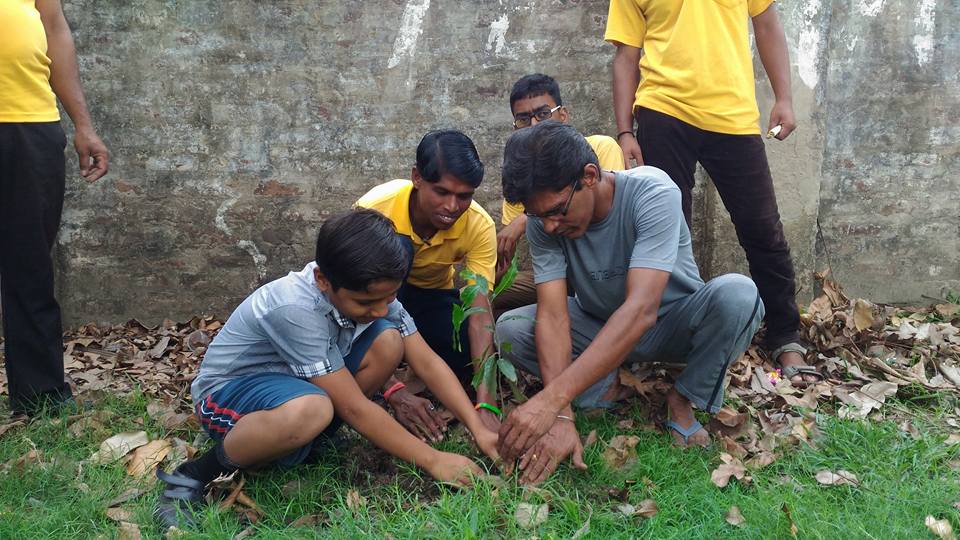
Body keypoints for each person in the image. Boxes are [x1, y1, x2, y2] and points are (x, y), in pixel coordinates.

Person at [155, 210, 498, 529]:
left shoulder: (374, 293)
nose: (381, 309)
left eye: (390, 297)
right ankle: (194, 475)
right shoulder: (294, 307)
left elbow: (427, 361)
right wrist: (434, 460)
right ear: (322, 280)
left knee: (389, 341)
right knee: (313, 409)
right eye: (366, 302)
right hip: (227, 395)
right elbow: (354, 407)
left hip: (294, 388)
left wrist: (478, 425)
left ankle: (304, 441)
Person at [494, 122, 764, 485]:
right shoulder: (544, 225)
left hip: (673, 323)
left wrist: (550, 400)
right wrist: (561, 415)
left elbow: (641, 310)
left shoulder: (653, 191)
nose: (551, 226)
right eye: (538, 215)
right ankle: (605, 386)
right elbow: (553, 316)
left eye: (557, 211)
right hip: (598, 324)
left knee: (740, 295)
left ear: (589, 176)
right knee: (511, 328)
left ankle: (683, 398)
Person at [605, 0, 819, 384]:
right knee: (665, 236)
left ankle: (785, 335)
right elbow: (626, 55)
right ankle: (664, 340)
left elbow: (767, 25)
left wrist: (784, 98)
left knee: (762, 229)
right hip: (662, 110)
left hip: (733, 115)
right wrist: (624, 131)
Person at [1, 0, 109, 416]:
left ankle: (40, 397)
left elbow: (54, 29)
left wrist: (83, 124)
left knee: (29, 266)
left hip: (30, 124)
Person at [356, 130, 502, 433]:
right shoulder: (375, 209)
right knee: (397, 246)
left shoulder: (479, 225)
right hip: (374, 303)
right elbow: (349, 297)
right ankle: (382, 368)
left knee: (466, 346)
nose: (452, 207)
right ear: (417, 178)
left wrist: (486, 404)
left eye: (464, 196)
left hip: (428, 297)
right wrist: (394, 390)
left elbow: (479, 314)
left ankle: (413, 360)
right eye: (441, 192)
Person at [494, 73, 626, 315]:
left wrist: (523, 220)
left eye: (543, 114)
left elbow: (606, 215)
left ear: (563, 115)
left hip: (608, 269)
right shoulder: (522, 176)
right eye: (523, 119)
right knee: (483, 293)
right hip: (558, 273)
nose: (534, 125)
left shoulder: (599, 148)